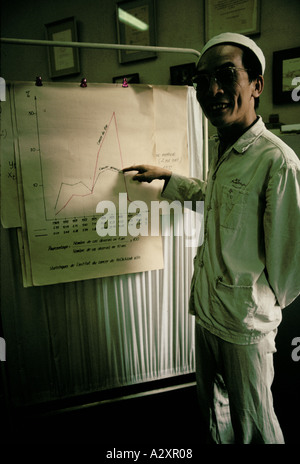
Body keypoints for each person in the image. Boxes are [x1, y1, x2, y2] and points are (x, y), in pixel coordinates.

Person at [123, 32, 300, 444]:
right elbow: (216, 197)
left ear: (256, 85)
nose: (213, 90)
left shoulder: (278, 162)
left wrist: (253, 303)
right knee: (214, 414)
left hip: (243, 326)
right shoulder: (223, 146)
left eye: (226, 76)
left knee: (254, 425)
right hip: (207, 313)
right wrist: (171, 179)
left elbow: (290, 271)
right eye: (202, 81)